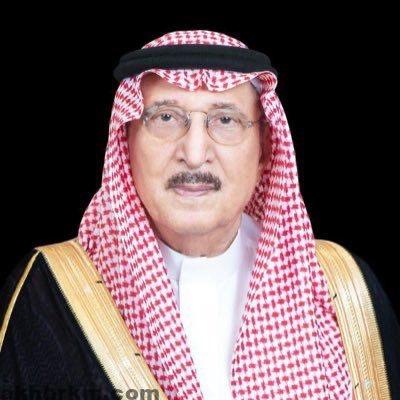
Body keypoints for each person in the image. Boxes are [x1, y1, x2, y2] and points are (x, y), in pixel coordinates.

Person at [1, 30, 399, 400]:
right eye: (166, 118)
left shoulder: (342, 288)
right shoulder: (48, 296)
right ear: (127, 142)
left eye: (225, 120)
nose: (194, 154)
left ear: (264, 148)